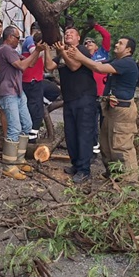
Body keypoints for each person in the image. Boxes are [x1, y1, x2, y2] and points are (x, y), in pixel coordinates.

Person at [67, 36, 139, 183]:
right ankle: (113, 173)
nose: (116, 44)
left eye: (120, 43)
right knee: (106, 143)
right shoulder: (116, 61)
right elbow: (97, 64)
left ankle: (129, 179)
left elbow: (98, 68)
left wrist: (80, 57)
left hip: (123, 111)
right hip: (111, 109)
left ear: (128, 49)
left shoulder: (127, 63)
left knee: (121, 144)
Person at [0, 26, 47, 180]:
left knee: (27, 124)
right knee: (14, 128)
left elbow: (30, 63)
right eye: (17, 38)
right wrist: (37, 50)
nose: (19, 41)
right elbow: (22, 66)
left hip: (18, 92)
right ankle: (8, 166)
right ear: (9, 37)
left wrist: (38, 51)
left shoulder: (13, 51)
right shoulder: (6, 49)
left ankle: (19, 160)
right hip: (9, 93)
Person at [53, 26, 99, 184]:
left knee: (84, 134)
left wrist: (62, 52)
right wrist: (44, 50)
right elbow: (49, 66)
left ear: (78, 37)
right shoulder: (62, 52)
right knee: (71, 134)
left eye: (71, 33)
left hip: (84, 97)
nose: (68, 34)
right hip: (69, 99)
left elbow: (74, 66)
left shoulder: (81, 50)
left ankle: (84, 170)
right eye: (66, 33)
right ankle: (76, 164)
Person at [21, 23, 57, 141]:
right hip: (30, 79)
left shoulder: (38, 42)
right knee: (35, 111)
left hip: (38, 78)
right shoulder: (30, 40)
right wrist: (45, 49)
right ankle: (31, 136)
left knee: (54, 90)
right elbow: (34, 53)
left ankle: (43, 101)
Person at [83, 17, 111, 157]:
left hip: (104, 94)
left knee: (105, 124)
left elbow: (107, 36)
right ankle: (94, 150)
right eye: (86, 43)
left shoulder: (103, 53)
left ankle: (107, 151)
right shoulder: (83, 58)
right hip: (91, 95)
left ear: (96, 46)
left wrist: (96, 25)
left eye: (91, 42)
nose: (88, 44)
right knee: (92, 124)